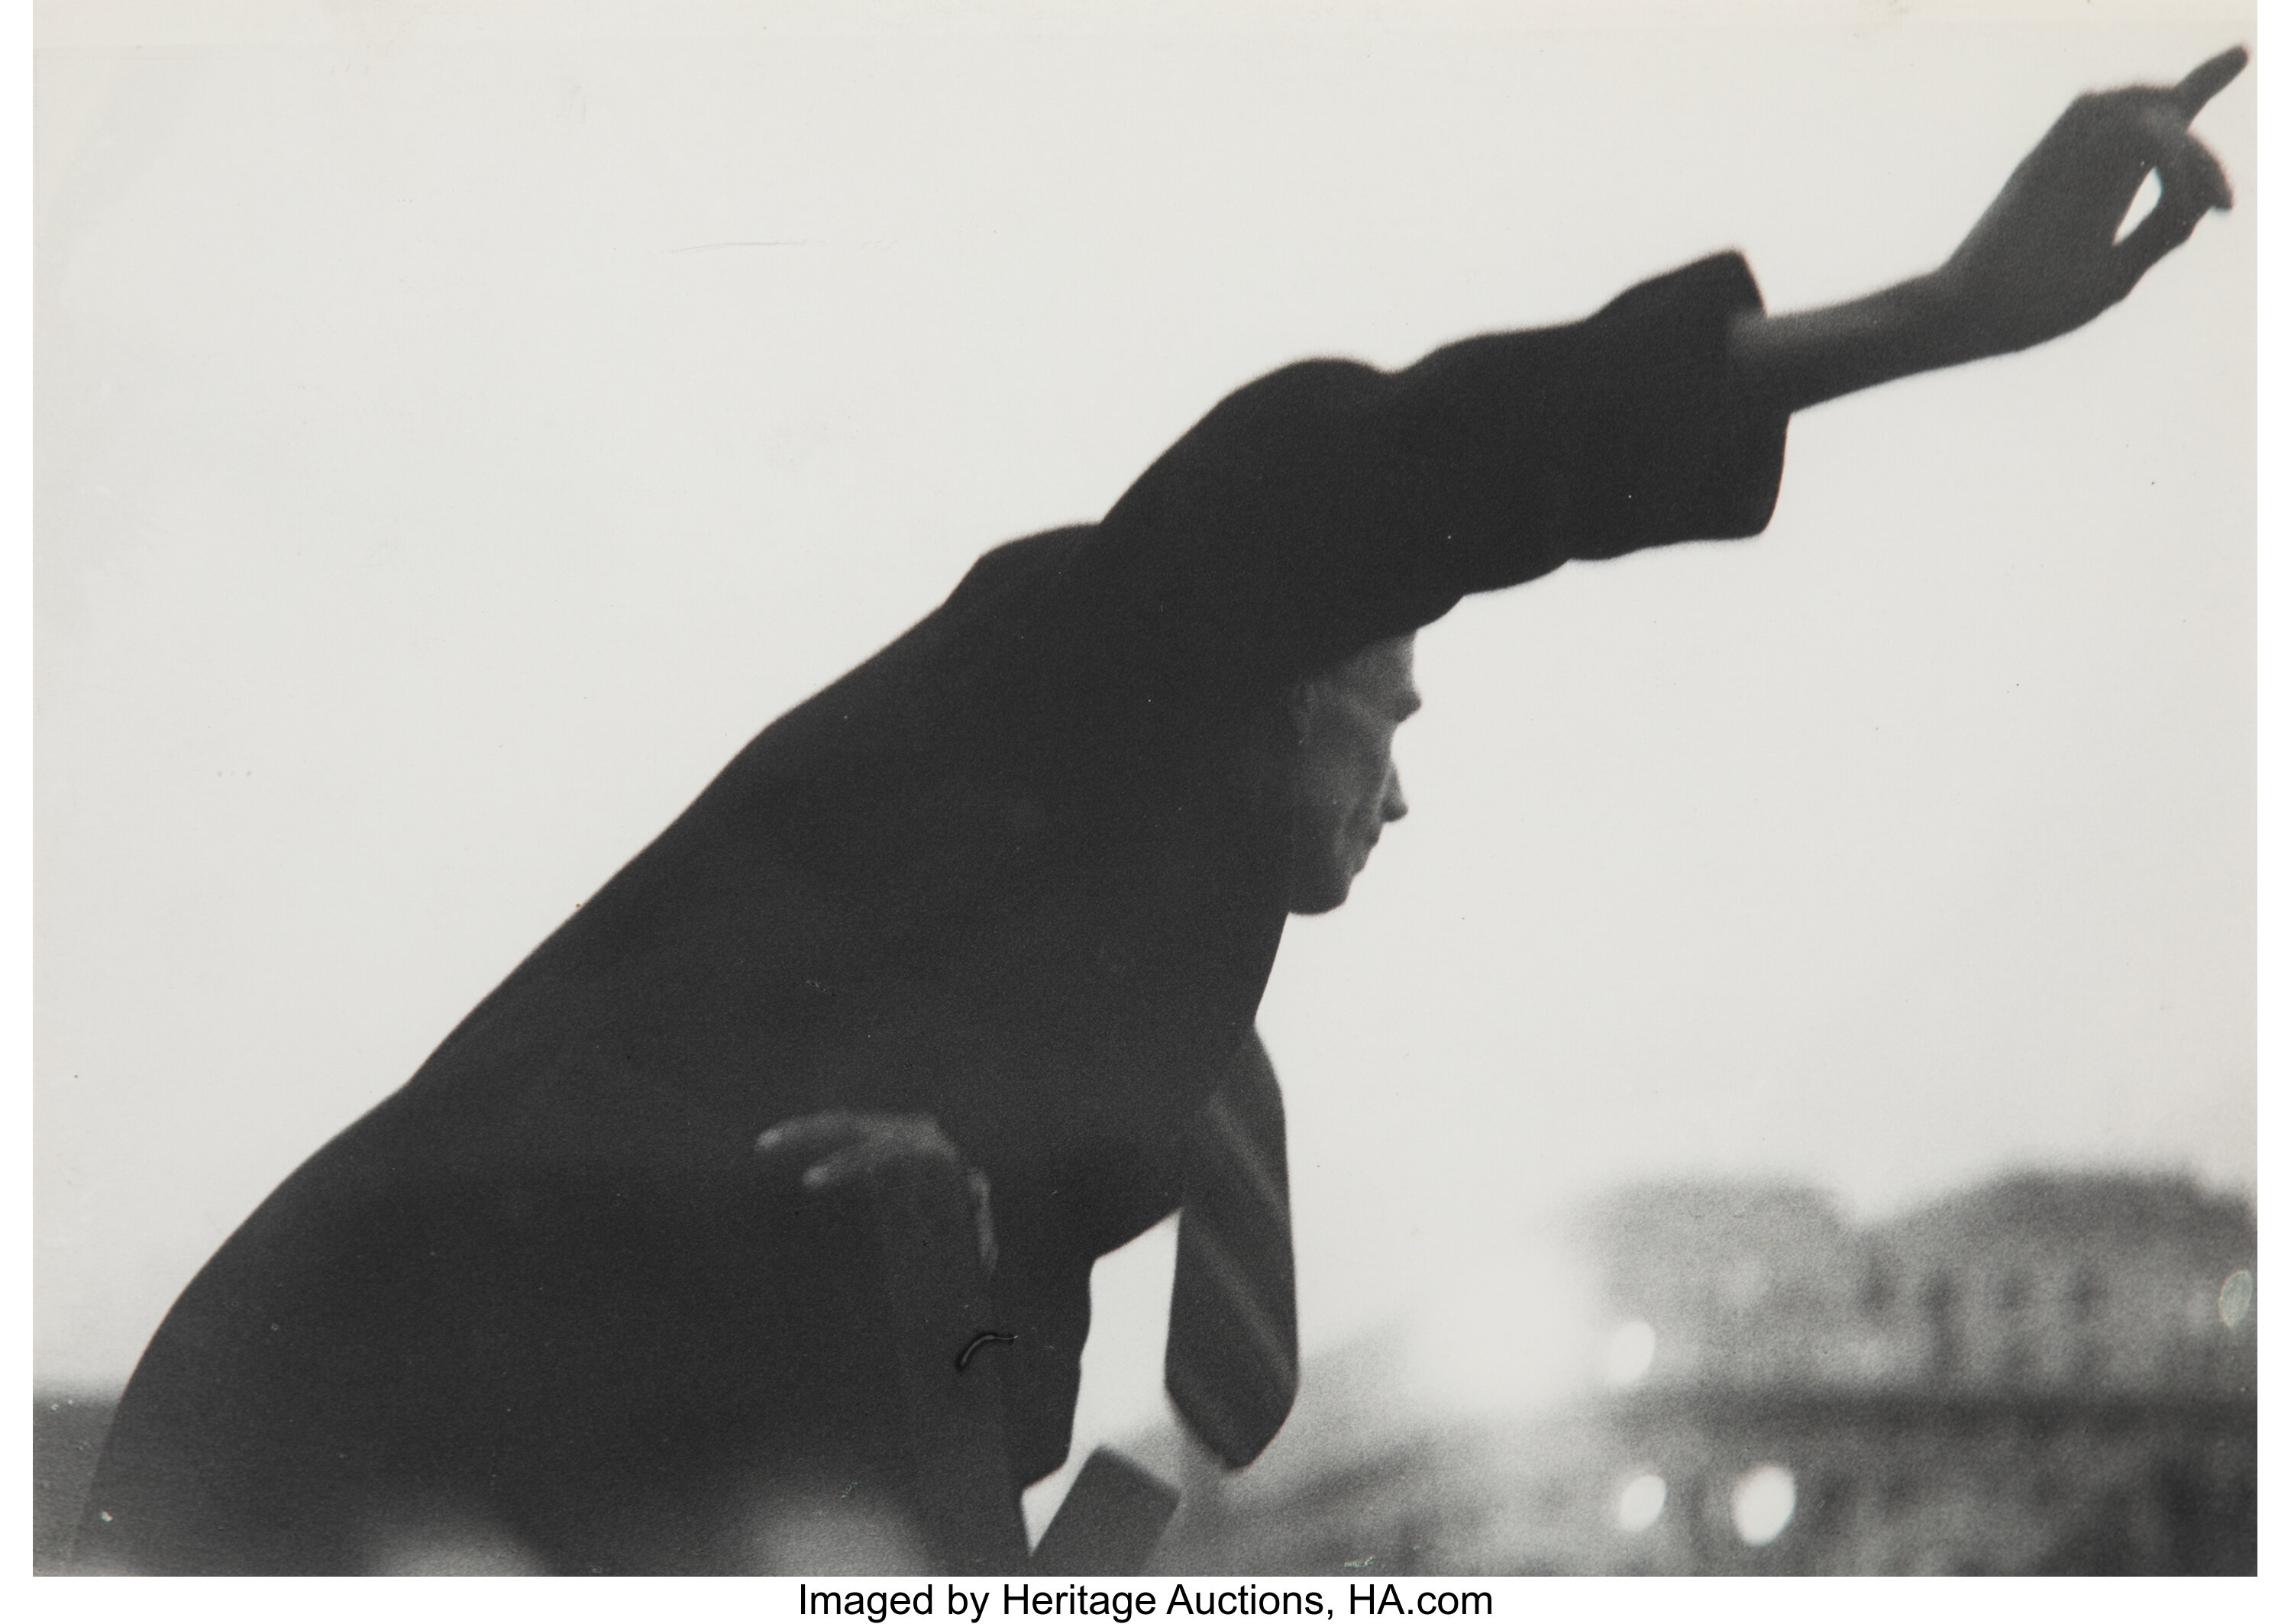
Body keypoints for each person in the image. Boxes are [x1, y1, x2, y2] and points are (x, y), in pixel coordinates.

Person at [73, 48, 2247, 1575]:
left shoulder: (1204, 1100)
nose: (1404, 788)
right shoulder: (1120, 645)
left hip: (664, 1478)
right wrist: (1942, 319)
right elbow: (1398, 471)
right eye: (1388, 712)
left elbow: (1125, 1449)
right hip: (364, 1425)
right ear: (1283, 677)